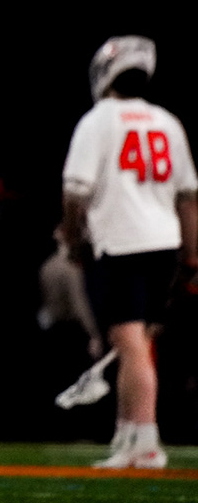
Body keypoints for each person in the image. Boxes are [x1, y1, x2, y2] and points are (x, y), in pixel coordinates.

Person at [61, 35, 197, 470]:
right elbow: (188, 198)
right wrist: (192, 257)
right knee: (135, 344)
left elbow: (75, 192)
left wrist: (75, 241)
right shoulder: (167, 121)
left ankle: (147, 441)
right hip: (165, 242)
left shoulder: (98, 121)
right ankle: (127, 435)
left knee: (130, 344)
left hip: (122, 243)